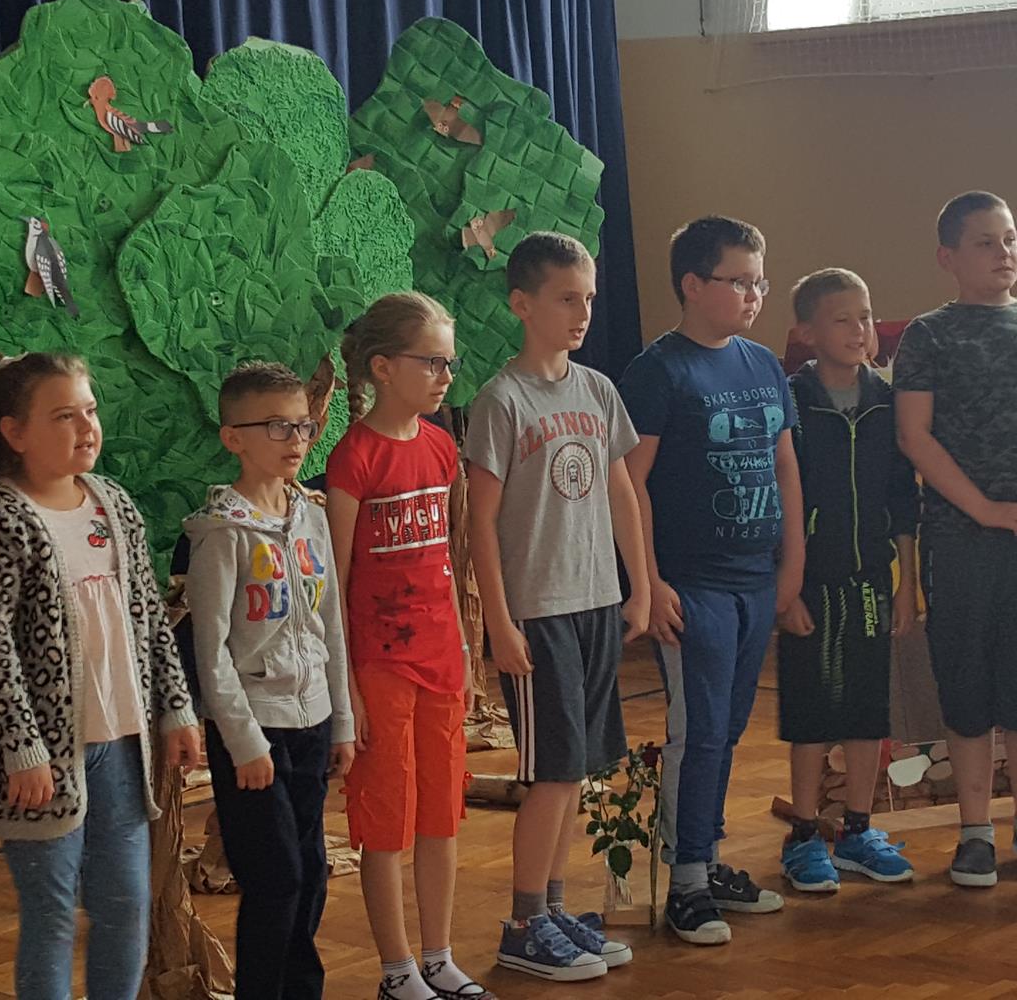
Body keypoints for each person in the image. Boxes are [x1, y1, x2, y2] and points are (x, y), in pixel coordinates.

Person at [0, 350, 203, 999]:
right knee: (53, 913)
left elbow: (149, 614)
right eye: (64, 416)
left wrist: (176, 709)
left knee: (126, 905)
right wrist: (22, 749)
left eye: (89, 411)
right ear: (15, 433)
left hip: (122, 746)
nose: (86, 427)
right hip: (42, 761)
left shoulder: (111, 502)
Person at [465, 232, 648, 981]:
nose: (583, 312)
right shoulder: (501, 400)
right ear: (522, 304)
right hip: (537, 613)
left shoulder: (598, 390)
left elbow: (620, 492)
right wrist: (499, 622)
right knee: (550, 773)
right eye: (567, 298)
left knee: (577, 771)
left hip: (595, 601)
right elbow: (479, 523)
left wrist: (639, 584)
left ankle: (555, 906)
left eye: (590, 298)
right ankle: (523, 923)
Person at [892, 191, 1017, 888]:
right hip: (960, 540)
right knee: (967, 687)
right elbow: (913, 435)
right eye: (986, 242)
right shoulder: (929, 335)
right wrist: (982, 508)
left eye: (1010, 238)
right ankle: (975, 832)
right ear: (948, 257)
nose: (1004, 252)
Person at [620, 215, 804, 946]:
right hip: (691, 584)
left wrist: (790, 566)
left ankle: (708, 855)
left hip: (755, 579)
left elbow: (785, 466)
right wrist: (649, 581)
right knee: (696, 732)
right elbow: (629, 483)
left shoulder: (762, 365)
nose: (754, 295)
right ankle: (687, 882)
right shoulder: (658, 371)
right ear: (693, 285)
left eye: (761, 282)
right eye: (739, 281)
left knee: (727, 729)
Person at [326, 292, 491, 1000]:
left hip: (441, 662)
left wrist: (466, 656)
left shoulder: (442, 447)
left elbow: (447, 561)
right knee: (386, 821)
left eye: (449, 363)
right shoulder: (353, 457)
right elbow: (336, 584)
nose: (445, 376)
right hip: (380, 667)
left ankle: (438, 956)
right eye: (432, 362)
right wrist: (349, 689)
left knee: (440, 815)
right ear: (384, 367)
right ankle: (396, 969)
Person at [184, 361, 356, 999]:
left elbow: (329, 623)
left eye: (304, 426)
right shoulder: (221, 534)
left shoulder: (310, 517)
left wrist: (342, 721)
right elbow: (211, 652)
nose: (296, 440)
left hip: (312, 720)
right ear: (234, 437)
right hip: (255, 734)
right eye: (278, 426)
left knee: (310, 874)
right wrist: (244, 742)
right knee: (276, 880)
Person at [775, 268, 921, 892]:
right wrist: (785, 589)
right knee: (811, 711)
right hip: (809, 584)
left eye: (865, 317)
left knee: (866, 707)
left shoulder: (888, 402)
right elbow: (777, 500)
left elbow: (902, 498)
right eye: (843, 319)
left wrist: (906, 583)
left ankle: (858, 830)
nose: (860, 330)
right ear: (807, 332)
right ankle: (804, 833)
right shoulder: (791, 402)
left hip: (870, 580)